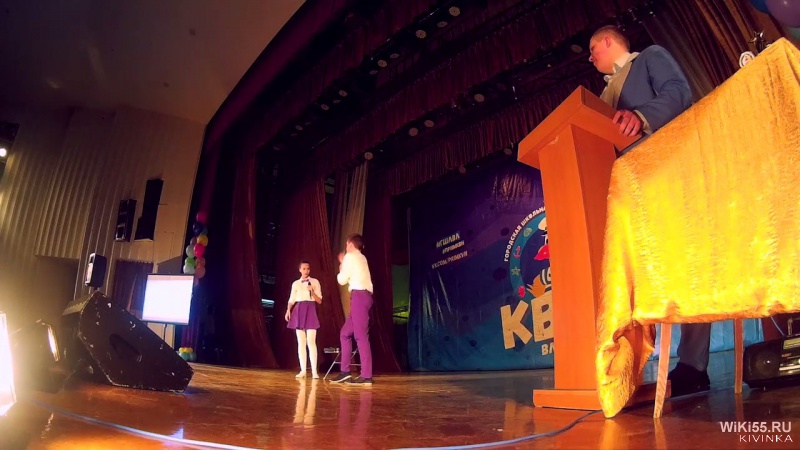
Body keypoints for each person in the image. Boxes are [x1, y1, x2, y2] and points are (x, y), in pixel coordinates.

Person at [590, 25, 709, 396]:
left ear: (608, 41)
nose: (590, 58)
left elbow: (679, 91)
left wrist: (641, 116)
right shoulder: (599, 98)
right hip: (631, 194)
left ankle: (693, 365)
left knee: (686, 268)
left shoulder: (650, 57)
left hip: (667, 179)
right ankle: (630, 364)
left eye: (593, 49)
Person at [329, 234, 374, 385]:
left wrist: (342, 264)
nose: (346, 247)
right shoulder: (362, 257)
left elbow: (341, 279)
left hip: (359, 296)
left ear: (350, 244)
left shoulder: (350, 256)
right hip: (362, 297)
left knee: (361, 336)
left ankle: (366, 375)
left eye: (346, 244)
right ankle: (345, 372)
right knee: (345, 333)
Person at [285, 260, 323, 379]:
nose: (306, 271)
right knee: (301, 342)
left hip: (311, 309)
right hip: (299, 310)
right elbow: (292, 299)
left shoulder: (315, 282)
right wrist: (288, 310)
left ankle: (314, 371)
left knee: (311, 342)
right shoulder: (295, 284)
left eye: (308, 268)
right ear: (300, 270)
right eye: (304, 268)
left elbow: (319, 300)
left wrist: (312, 291)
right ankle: (303, 370)